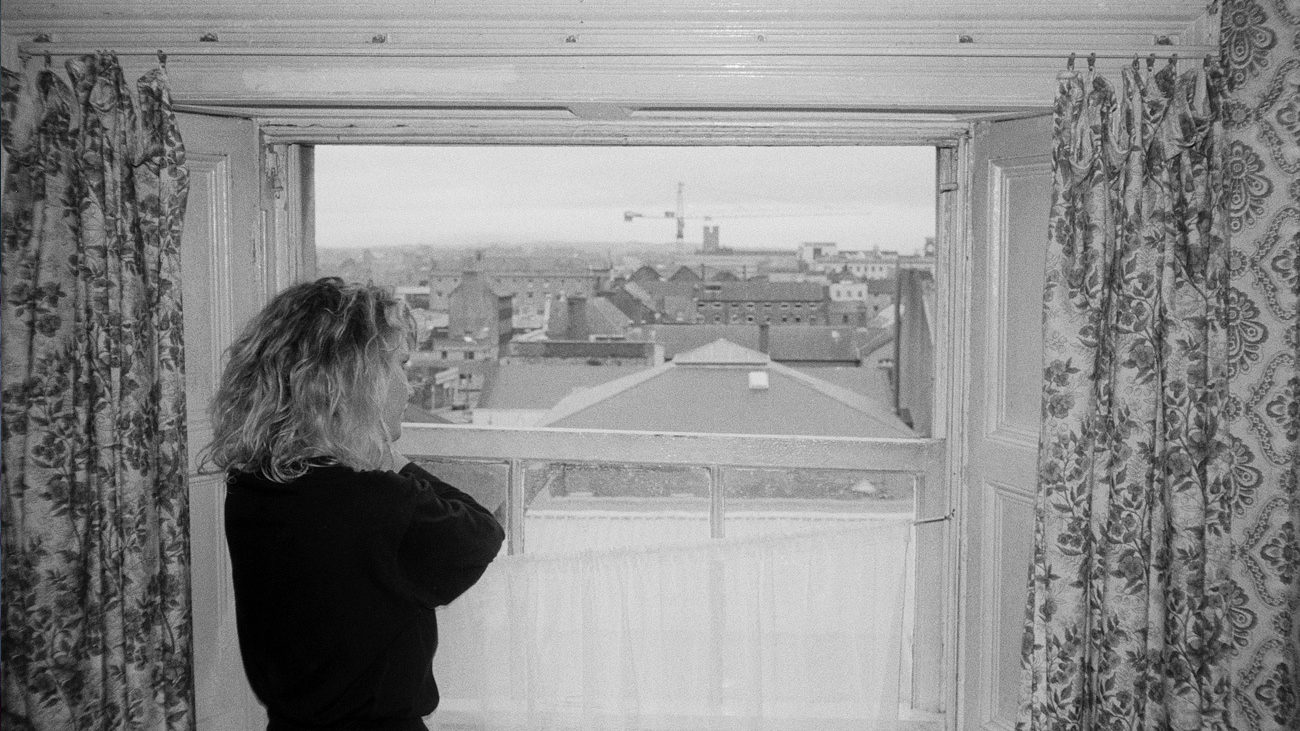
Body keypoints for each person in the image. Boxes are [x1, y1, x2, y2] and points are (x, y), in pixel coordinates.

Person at [203, 277, 505, 731]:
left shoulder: (253, 486)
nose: (408, 386)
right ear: (356, 382)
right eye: (399, 365)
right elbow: (479, 535)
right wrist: (390, 457)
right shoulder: (378, 501)